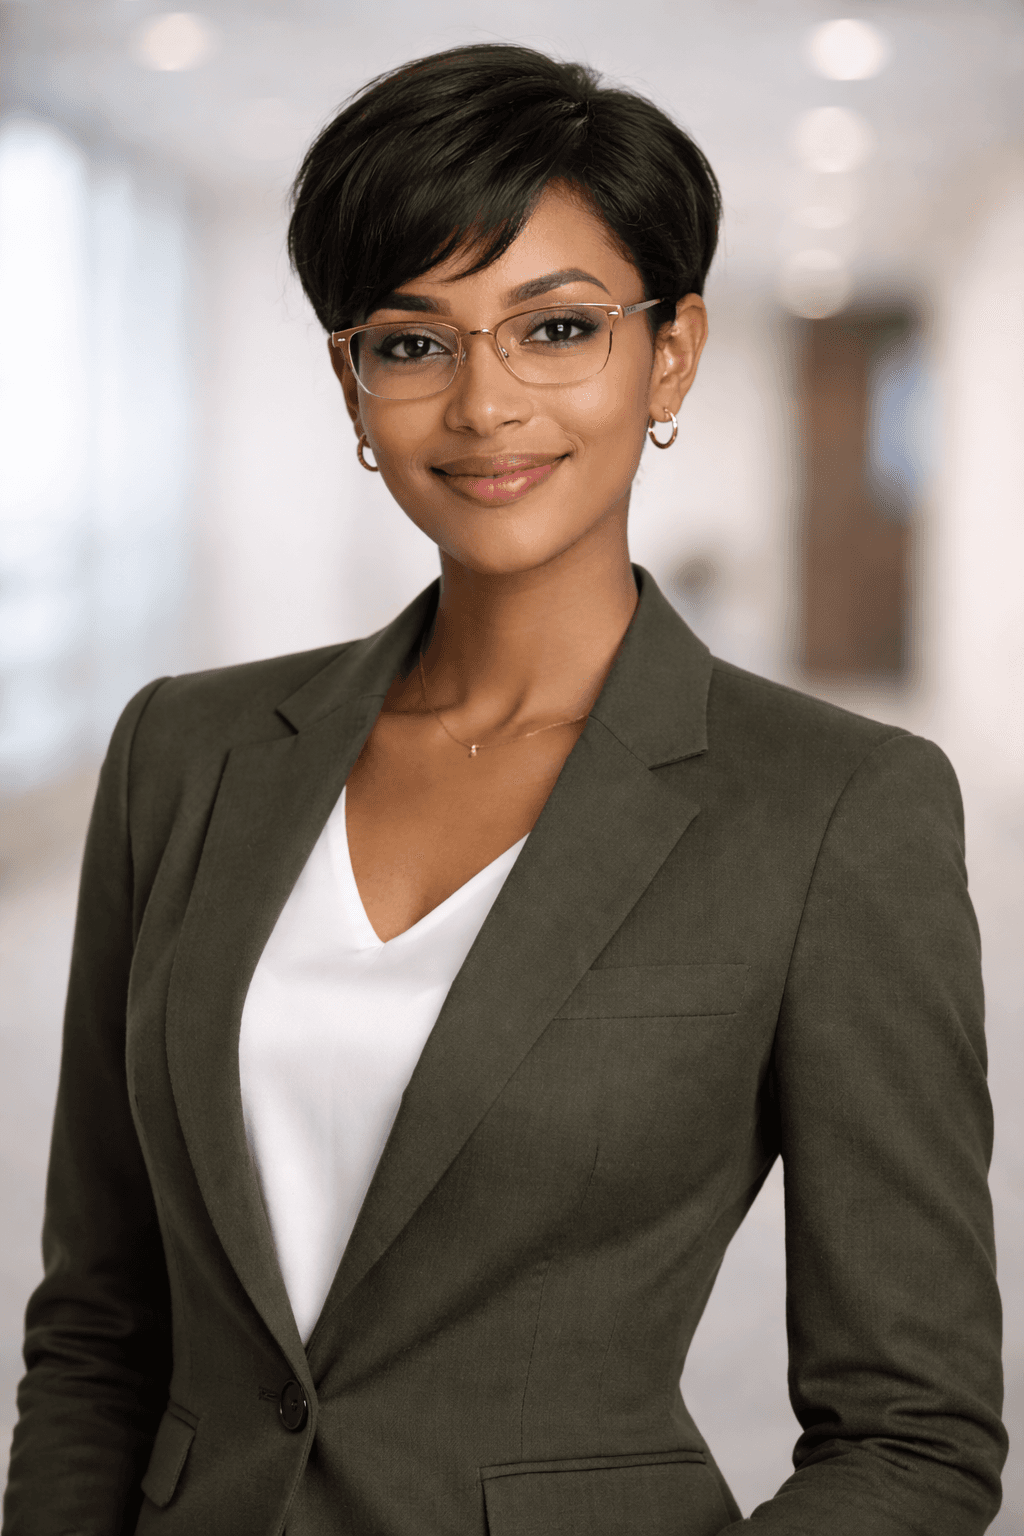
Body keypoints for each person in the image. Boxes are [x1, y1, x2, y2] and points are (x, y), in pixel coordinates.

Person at [2, 42, 1006, 1536]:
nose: (484, 404)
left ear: (668, 355)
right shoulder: (184, 754)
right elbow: (97, 1330)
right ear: (352, 381)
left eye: (555, 328)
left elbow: (915, 1439)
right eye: (414, 343)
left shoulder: (838, 808)